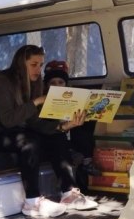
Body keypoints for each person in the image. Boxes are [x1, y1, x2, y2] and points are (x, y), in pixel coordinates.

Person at [0, 45, 98, 218]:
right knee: (29, 140)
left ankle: (69, 193)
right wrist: (38, 101)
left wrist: (64, 126)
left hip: (4, 132)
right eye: (34, 64)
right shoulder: (0, 83)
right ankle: (32, 202)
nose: (38, 69)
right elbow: (8, 120)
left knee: (55, 137)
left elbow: (34, 122)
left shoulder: (33, 84)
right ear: (20, 63)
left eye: (40, 65)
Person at [43, 60, 101, 192]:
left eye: (61, 82)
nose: (57, 86)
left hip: (73, 135)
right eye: (52, 83)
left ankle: (87, 160)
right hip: (56, 135)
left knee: (86, 125)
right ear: (46, 85)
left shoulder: (73, 98)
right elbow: (49, 127)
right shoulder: (44, 100)